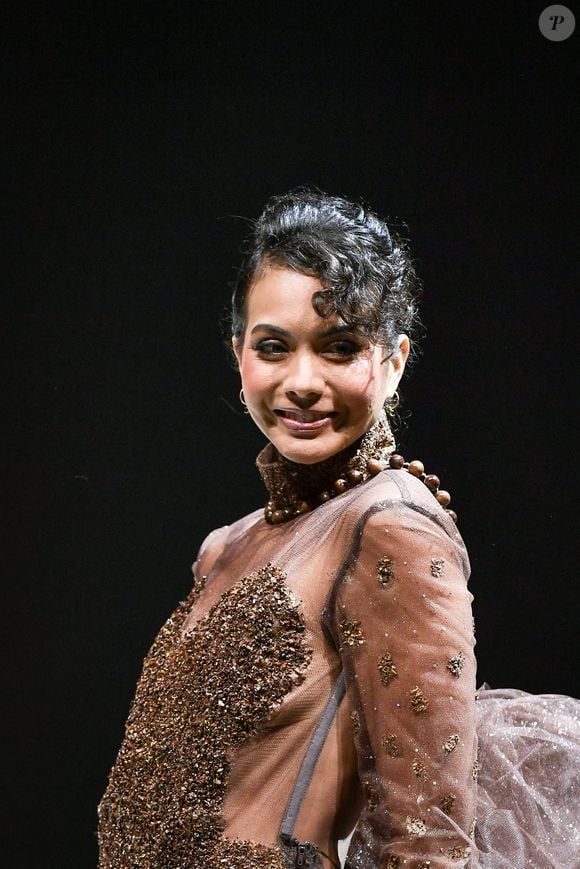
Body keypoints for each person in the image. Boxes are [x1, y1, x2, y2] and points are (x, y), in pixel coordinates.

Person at [97, 190, 580, 868]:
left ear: (394, 361)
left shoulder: (392, 528)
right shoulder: (224, 547)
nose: (302, 380)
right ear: (239, 355)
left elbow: (428, 840)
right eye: (273, 346)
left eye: (340, 347)